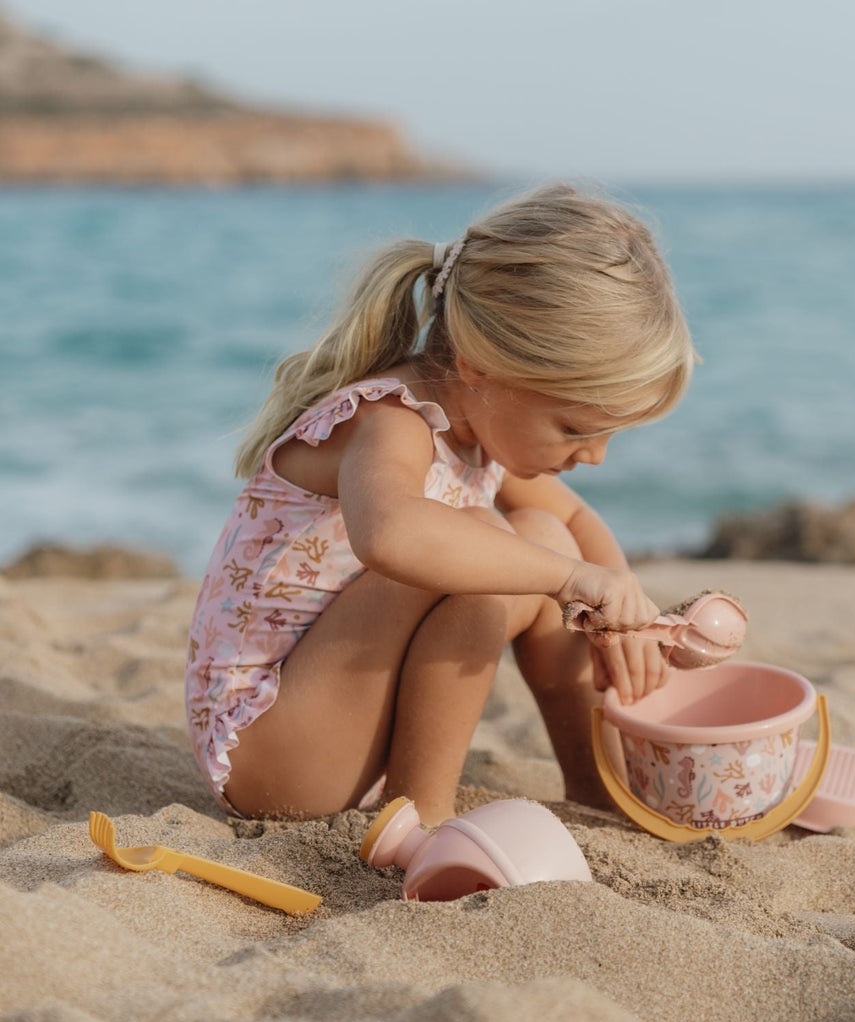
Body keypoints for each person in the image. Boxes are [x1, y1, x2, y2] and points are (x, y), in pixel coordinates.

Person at [185, 182, 694, 826]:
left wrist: (626, 614)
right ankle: (419, 817)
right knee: (502, 546)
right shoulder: (390, 418)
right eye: (573, 429)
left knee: (540, 532)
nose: (593, 457)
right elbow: (391, 535)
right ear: (480, 365)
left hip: (343, 733)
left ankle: (595, 786)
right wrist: (569, 577)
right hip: (273, 753)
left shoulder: (481, 420)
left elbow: (573, 521)